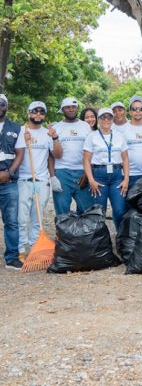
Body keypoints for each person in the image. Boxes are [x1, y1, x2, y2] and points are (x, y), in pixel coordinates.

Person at [15, 102, 61, 259]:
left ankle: (36, 248)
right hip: (23, 180)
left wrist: (55, 137)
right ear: (29, 113)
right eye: (35, 111)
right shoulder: (21, 131)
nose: (38, 114)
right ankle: (20, 249)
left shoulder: (47, 133)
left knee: (37, 217)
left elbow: (55, 155)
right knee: (21, 218)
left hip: (41, 180)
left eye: (42, 112)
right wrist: (23, 140)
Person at [82, 108, 130, 229]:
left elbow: (125, 159)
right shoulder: (92, 136)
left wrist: (126, 179)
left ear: (112, 119)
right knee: (99, 211)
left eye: (109, 117)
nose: (106, 120)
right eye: (103, 117)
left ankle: (120, 238)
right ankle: (100, 242)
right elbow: (86, 161)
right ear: (98, 119)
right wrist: (91, 180)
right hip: (99, 176)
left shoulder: (120, 136)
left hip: (117, 176)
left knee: (120, 210)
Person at [50, 97, 92, 216]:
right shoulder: (56, 127)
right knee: (62, 210)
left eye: (74, 107)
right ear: (62, 109)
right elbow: (55, 155)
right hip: (62, 172)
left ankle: (84, 234)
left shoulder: (85, 126)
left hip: (82, 172)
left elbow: (90, 151)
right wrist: (53, 176)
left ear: (77, 108)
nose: (71, 109)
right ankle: (62, 234)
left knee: (87, 209)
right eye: (67, 107)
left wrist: (87, 172)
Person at [0, 94, 23, 270]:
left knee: (11, 221)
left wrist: (10, 172)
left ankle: (12, 257)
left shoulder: (16, 127)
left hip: (8, 182)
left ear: (6, 106)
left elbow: (20, 153)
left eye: (2, 104)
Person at [120, 95, 142, 189]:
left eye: (141, 109)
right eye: (134, 109)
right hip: (129, 175)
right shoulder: (123, 129)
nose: (138, 111)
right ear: (130, 112)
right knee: (129, 203)